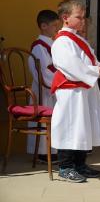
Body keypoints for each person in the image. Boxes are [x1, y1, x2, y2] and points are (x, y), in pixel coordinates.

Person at [51, 0, 100, 183]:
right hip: (71, 91)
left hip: (84, 89)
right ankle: (65, 166)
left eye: (84, 17)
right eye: (79, 17)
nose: (83, 21)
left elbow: (91, 60)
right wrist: (95, 72)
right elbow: (72, 66)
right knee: (70, 126)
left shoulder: (78, 39)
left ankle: (79, 164)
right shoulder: (62, 41)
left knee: (82, 127)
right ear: (65, 18)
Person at [27, 10, 60, 163]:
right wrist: (60, 80)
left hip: (53, 88)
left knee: (56, 119)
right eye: (54, 26)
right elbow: (43, 71)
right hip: (44, 90)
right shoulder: (39, 46)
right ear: (43, 26)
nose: (56, 28)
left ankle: (53, 150)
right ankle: (42, 152)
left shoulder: (51, 44)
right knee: (44, 119)